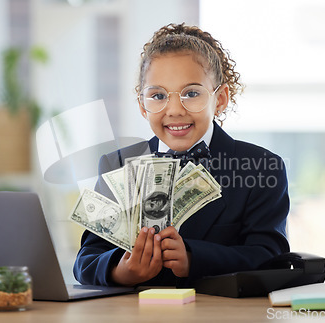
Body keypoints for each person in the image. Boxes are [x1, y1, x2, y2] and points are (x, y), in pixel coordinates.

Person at [73, 23, 290, 287]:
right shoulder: (117, 164)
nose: (174, 109)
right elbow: (87, 259)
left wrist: (193, 258)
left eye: (191, 93)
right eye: (158, 95)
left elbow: (271, 257)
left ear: (220, 99)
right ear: (142, 105)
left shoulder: (261, 168)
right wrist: (122, 271)